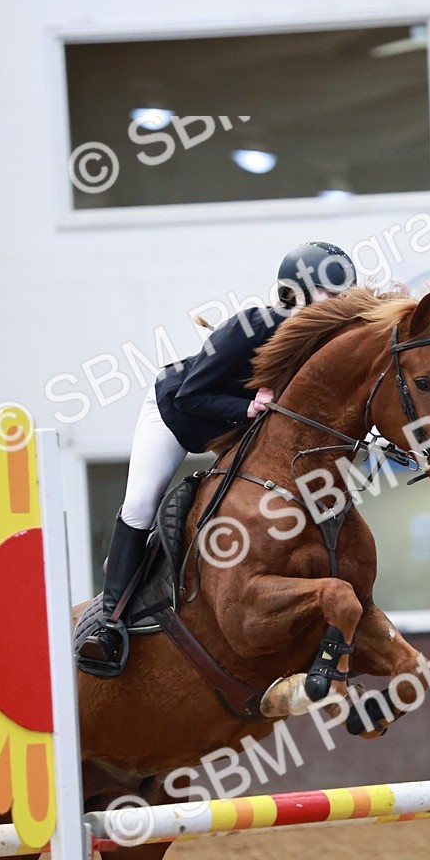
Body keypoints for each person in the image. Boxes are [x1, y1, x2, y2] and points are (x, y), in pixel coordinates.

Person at [76, 241, 357, 672]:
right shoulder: (252, 325)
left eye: (344, 295)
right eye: (330, 293)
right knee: (140, 503)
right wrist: (247, 407)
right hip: (176, 415)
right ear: (296, 290)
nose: (339, 303)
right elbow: (190, 395)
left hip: (236, 427)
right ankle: (110, 623)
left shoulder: (321, 342)